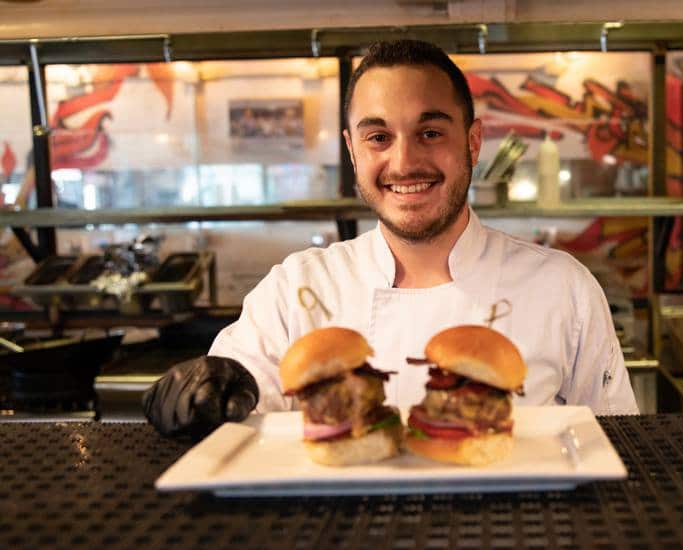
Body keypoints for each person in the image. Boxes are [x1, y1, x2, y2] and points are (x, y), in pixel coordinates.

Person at [143, 39, 639, 438]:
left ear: (472, 140)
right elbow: (237, 395)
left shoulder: (564, 289)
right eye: (378, 137)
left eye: (430, 133)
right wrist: (201, 394)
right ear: (353, 151)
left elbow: (620, 448)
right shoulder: (295, 288)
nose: (403, 164)